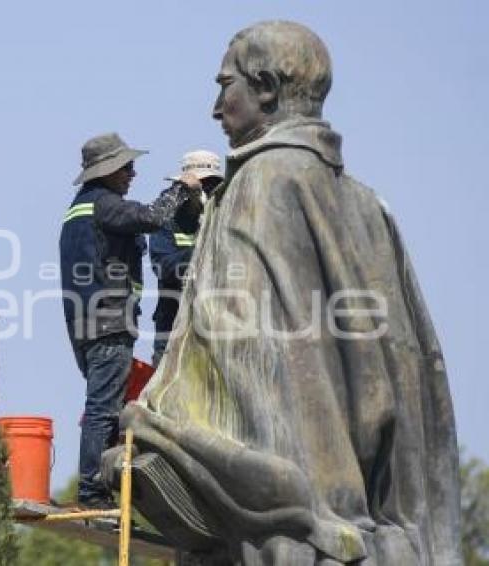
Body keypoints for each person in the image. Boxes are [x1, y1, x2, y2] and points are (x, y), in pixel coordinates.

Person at [114, 22, 460, 564]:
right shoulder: (368, 205)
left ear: (267, 88)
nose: (215, 106)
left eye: (224, 84)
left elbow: (237, 362)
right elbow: (411, 374)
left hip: (289, 532)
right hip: (373, 526)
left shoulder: (256, 185)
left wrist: (150, 415)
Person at [59, 132, 201, 508]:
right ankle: (93, 493)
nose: (132, 173)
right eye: (125, 167)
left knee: (103, 405)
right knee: (104, 409)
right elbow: (152, 218)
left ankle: (99, 489)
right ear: (105, 171)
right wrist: (182, 190)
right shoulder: (104, 205)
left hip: (83, 324)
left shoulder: (78, 209)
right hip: (108, 322)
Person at [148, 150, 223, 367]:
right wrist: (203, 248)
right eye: (200, 185)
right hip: (173, 327)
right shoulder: (166, 214)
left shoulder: (227, 212)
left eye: (211, 185)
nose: (204, 191)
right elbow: (164, 266)